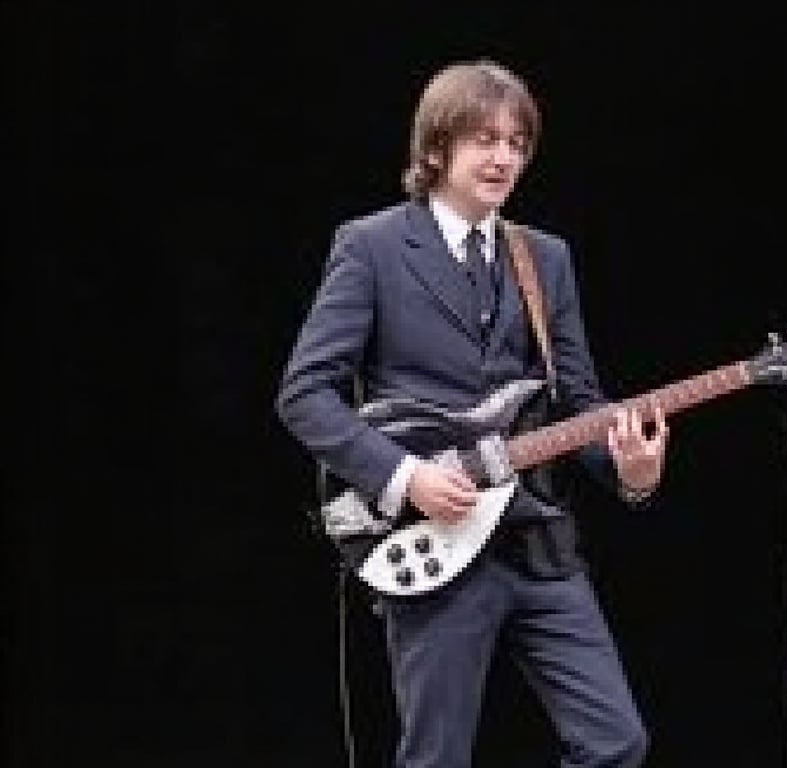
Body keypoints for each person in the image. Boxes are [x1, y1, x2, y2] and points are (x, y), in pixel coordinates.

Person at [275, 59, 669, 768]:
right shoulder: (371, 247)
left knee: (617, 742)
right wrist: (404, 476)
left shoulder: (544, 258)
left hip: (537, 539)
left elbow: (576, 402)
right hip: (434, 538)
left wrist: (629, 468)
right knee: (438, 758)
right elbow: (304, 394)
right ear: (435, 148)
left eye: (518, 143)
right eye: (485, 138)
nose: (504, 157)